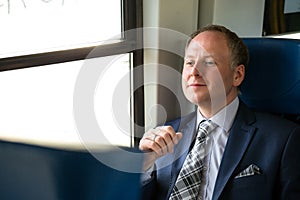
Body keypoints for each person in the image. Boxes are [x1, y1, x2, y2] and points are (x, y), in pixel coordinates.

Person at [139, 24, 300, 200]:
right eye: (189, 62)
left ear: (237, 75)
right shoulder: (167, 132)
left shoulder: (284, 139)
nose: (194, 72)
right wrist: (144, 166)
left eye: (209, 62)